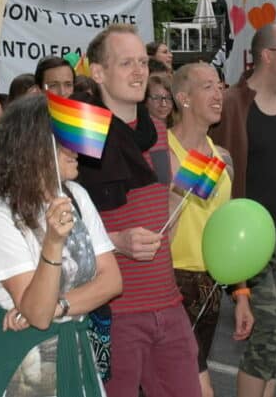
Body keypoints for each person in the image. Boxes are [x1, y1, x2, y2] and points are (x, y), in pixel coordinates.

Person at [74, 24, 201, 397]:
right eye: (126, 62)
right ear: (98, 73)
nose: (139, 71)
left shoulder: (159, 131)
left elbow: (165, 202)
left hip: (168, 304)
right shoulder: (77, 136)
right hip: (113, 310)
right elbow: (55, 227)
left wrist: (187, 188)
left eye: (142, 62)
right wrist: (115, 241)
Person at [0, 96, 123, 396]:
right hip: (22, 361)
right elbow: (37, 314)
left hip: (73, 346)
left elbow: (113, 281)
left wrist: (58, 306)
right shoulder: (0, 216)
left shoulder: (77, 195)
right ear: (36, 148)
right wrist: (52, 242)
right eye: (65, 138)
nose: (77, 148)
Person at [209, 22, 276, 397]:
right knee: (268, 333)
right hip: (245, 241)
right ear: (268, 55)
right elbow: (214, 176)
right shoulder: (230, 105)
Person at [168, 63, 253, 397]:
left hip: (210, 287)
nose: (219, 93)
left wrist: (241, 295)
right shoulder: (160, 152)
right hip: (168, 284)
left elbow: (229, 232)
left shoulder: (223, 158)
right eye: (207, 86)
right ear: (184, 98)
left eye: (220, 85)